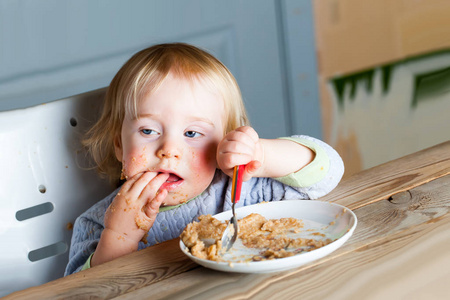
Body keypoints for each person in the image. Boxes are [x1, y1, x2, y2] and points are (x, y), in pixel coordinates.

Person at [65, 43, 344, 275]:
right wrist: (119, 239)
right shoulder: (98, 223)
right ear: (118, 144)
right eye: (148, 130)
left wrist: (263, 154)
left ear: (223, 141)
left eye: (192, 133)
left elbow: (327, 175)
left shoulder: (242, 191)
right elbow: (81, 293)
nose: (169, 150)